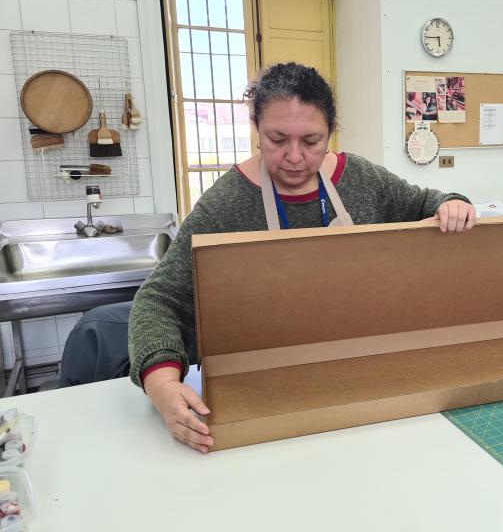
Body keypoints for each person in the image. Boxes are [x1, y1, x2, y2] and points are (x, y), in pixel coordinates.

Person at [129, 62, 476, 453]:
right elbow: (159, 299)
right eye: (277, 139)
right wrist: (162, 387)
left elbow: (425, 202)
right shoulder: (225, 204)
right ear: (256, 129)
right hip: (264, 392)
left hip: (365, 380)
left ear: (330, 133)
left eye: (311, 141)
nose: (294, 157)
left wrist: (453, 204)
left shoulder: (361, 180)